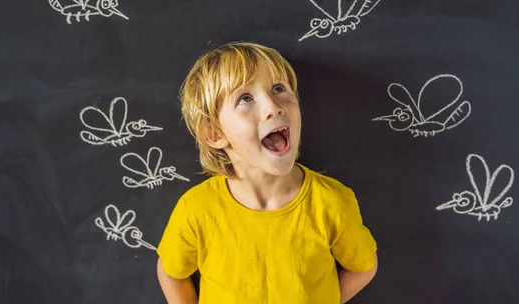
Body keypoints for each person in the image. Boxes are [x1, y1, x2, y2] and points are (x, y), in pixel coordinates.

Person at [156, 42, 378, 304]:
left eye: (278, 88)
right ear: (215, 134)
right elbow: (171, 271)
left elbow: (363, 266)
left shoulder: (332, 202)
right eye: (246, 98)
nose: (274, 107)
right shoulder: (196, 210)